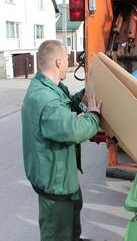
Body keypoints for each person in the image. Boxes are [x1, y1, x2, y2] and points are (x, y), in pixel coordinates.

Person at [21, 40, 101, 241]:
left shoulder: (48, 87)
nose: (69, 63)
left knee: (71, 223)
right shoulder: (46, 101)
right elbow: (75, 130)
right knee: (57, 233)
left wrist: (87, 93)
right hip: (54, 182)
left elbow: (67, 105)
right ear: (58, 62)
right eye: (67, 59)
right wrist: (94, 116)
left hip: (61, 176)